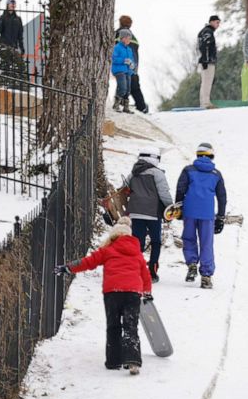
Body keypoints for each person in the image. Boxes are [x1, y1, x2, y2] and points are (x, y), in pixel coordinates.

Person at [55, 216, 152, 375]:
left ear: (113, 236)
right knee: (130, 326)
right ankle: (133, 361)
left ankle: (114, 361)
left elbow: (87, 262)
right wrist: (147, 293)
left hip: (112, 292)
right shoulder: (137, 253)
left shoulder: (107, 250)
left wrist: (67, 268)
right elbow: (146, 275)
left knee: (113, 326)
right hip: (133, 292)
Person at [175, 142, 227, 288]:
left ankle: (192, 264)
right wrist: (221, 217)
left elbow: (180, 190)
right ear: (211, 155)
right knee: (206, 243)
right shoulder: (216, 174)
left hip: (189, 211)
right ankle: (206, 276)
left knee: (189, 238)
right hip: (207, 213)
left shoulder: (188, 170)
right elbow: (222, 197)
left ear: (198, 155)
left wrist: (178, 208)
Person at [125, 147, 173, 283]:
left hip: (135, 212)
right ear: (155, 158)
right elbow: (164, 193)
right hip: (153, 213)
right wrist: (170, 208)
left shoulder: (133, 173)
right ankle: (152, 271)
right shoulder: (157, 174)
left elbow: (124, 188)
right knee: (155, 242)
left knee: (137, 242)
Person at [116, 16, 148, 114]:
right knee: (134, 87)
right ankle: (142, 107)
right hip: (133, 66)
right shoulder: (133, 37)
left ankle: (121, 104)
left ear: (120, 23)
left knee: (123, 86)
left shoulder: (118, 34)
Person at [198, 15, 221, 109]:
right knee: (207, 82)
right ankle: (205, 103)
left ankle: (204, 102)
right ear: (211, 22)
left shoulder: (206, 31)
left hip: (206, 60)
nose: (218, 25)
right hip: (207, 61)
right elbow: (205, 46)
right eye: (217, 22)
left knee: (205, 82)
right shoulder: (208, 32)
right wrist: (205, 60)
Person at [111, 29, 136, 113]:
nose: (129, 40)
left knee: (128, 89)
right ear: (123, 38)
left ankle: (126, 107)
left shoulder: (129, 49)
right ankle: (116, 105)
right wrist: (124, 60)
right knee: (122, 88)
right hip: (119, 70)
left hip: (128, 71)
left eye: (130, 38)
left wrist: (132, 64)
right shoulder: (117, 47)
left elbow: (131, 59)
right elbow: (113, 59)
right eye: (128, 38)